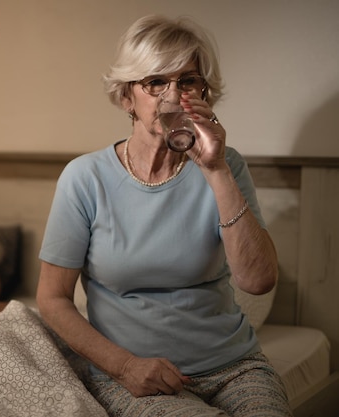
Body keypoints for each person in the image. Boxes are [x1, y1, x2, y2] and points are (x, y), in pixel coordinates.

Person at [36, 15, 292, 416]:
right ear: (126, 97)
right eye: (155, 82)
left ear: (204, 94)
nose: (173, 96)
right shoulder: (85, 177)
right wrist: (124, 367)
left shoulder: (228, 166)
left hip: (234, 367)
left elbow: (258, 281)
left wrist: (216, 170)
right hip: (136, 377)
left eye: (187, 81)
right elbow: (51, 299)